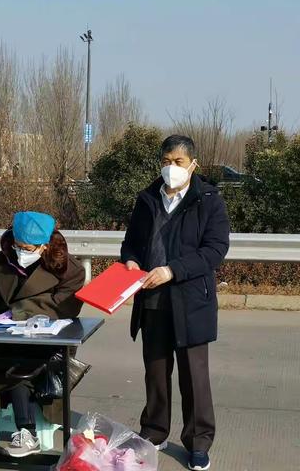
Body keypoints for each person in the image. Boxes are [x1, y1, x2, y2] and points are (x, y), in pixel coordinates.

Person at [121, 135, 230, 471]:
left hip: (191, 301)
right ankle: (154, 432)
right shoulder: (147, 199)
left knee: (193, 377)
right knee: (155, 372)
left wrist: (172, 270)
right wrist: (131, 262)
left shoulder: (208, 200)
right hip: (151, 299)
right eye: (166, 161)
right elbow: (131, 244)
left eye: (178, 162)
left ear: (193, 165)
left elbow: (215, 250)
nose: (171, 168)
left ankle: (198, 442)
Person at [0, 211, 85, 457]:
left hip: (45, 344)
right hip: (5, 339)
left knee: (19, 369)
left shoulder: (70, 270)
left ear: (45, 245)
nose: (22, 252)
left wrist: (17, 314)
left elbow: (62, 305)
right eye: (18, 246)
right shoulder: (2, 260)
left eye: (28, 248)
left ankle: (27, 432)